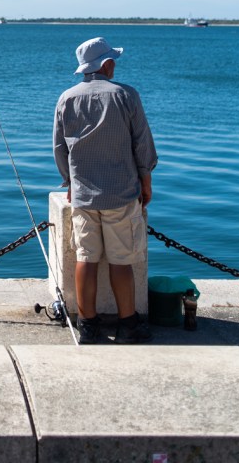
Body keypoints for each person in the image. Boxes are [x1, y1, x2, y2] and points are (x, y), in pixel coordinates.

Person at [53, 37, 158, 344]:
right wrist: (146, 180)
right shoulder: (126, 95)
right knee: (120, 261)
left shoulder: (67, 98)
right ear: (106, 64)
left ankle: (88, 326)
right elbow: (142, 143)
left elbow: (60, 149)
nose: (115, 64)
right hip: (122, 193)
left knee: (86, 258)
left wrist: (70, 182)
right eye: (113, 60)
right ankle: (128, 325)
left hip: (84, 195)